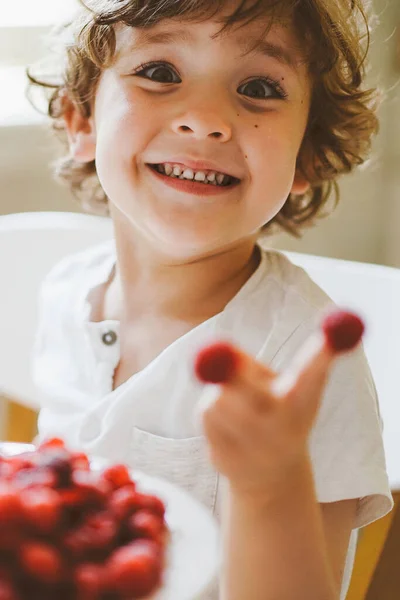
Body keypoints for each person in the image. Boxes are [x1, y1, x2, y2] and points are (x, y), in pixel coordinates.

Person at [28, 0, 393, 598]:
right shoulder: (66, 292)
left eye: (258, 87)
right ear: (81, 120)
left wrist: (270, 485)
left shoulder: (304, 359)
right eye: (160, 73)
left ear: (307, 156)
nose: (204, 118)